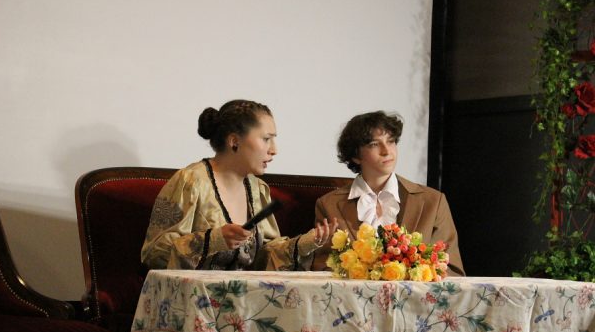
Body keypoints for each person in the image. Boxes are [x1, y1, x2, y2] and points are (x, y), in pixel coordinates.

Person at [141, 99, 338, 271]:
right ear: (234, 141)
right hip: (194, 296)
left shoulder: (257, 189)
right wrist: (213, 240)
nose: (274, 150)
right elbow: (154, 254)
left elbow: (263, 257)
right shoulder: (191, 182)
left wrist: (304, 243)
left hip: (244, 297)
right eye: (266, 139)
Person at [313, 111, 465, 276]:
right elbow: (323, 269)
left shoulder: (433, 201)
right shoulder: (328, 205)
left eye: (391, 141)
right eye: (374, 144)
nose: (386, 151)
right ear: (356, 156)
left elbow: (452, 270)